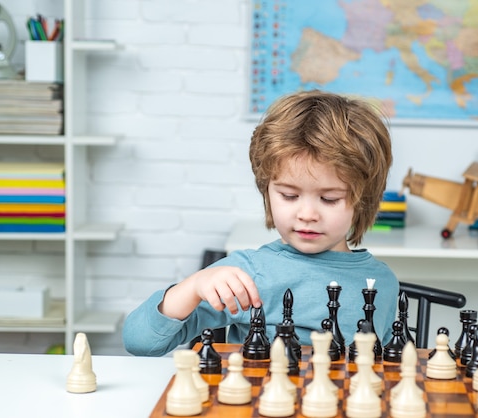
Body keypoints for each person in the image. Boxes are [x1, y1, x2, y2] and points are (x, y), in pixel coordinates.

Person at [123, 90, 399, 356]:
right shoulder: (246, 274)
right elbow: (139, 342)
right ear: (267, 191)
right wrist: (193, 286)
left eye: (329, 199)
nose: (307, 214)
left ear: (363, 200)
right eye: (289, 195)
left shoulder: (382, 282)